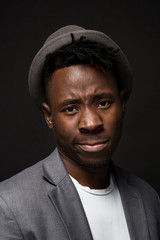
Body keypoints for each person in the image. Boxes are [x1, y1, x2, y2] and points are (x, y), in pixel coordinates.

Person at [0, 25, 159, 240]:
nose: (91, 123)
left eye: (103, 103)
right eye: (71, 108)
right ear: (49, 116)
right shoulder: (9, 206)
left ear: (122, 103)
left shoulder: (148, 198)